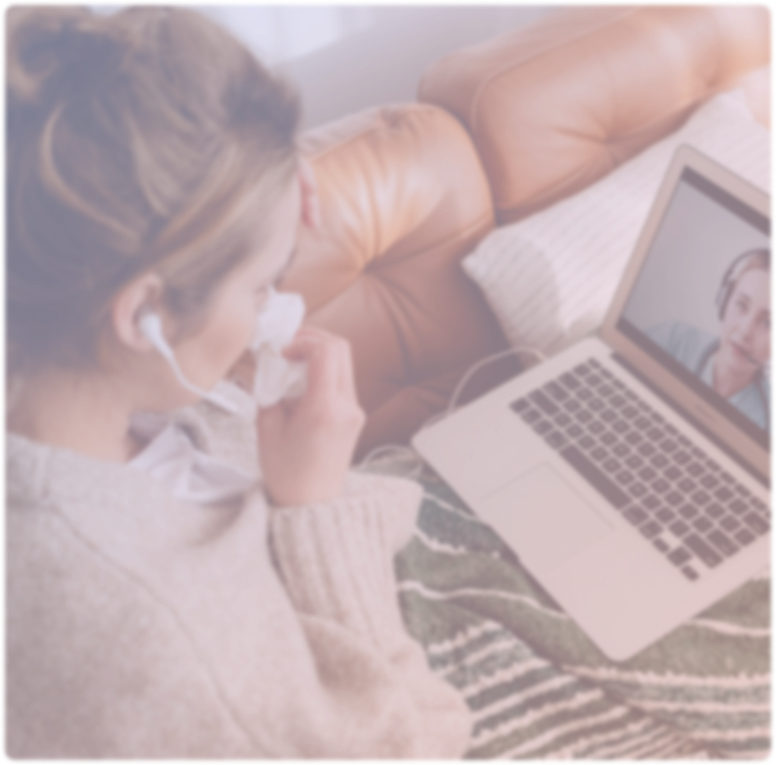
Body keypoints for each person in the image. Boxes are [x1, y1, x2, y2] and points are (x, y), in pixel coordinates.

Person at [1, 3, 470, 763]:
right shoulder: (157, 634)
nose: (274, 311)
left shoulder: (38, 322)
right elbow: (414, 747)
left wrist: (259, 193)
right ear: (144, 312)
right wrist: (313, 509)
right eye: (263, 286)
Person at [646, 249, 773, 429]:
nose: (745, 331)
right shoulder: (673, 338)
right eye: (741, 305)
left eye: (769, 323)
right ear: (724, 300)